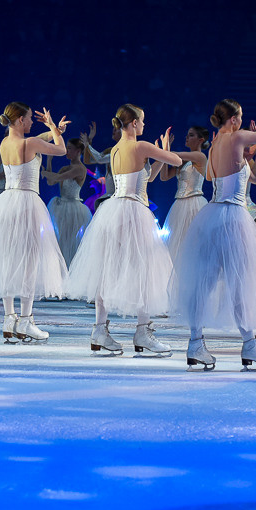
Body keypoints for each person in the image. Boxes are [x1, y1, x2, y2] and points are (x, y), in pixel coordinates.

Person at [174, 99, 256, 371]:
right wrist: (251, 144)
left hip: (211, 216)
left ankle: (196, 343)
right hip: (233, 217)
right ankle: (249, 344)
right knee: (240, 281)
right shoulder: (238, 137)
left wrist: (247, 151)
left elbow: (210, 178)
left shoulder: (214, 147)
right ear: (233, 119)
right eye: (240, 117)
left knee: (206, 281)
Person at [66, 104, 182, 356]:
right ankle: (142, 331)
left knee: (108, 269)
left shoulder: (117, 148)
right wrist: (163, 149)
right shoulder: (140, 146)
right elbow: (177, 160)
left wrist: (158, 155)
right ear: (132, 124)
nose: (144, 125)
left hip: (113, 211)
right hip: (133, 212)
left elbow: (148, 179)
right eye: (142, 120)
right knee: (143, 270)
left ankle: (99, 330)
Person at [0, 103, 69, 343]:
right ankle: (26, 320)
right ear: (21, 120)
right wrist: (53, 127)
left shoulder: (5, 143)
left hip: (7, 203)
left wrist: (55, 130)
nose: (32, 122)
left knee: (8, 259)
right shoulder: (29, 143)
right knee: (30, 261)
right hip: (27, 203)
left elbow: (37, 139)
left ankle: (8, 317)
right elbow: (61, 150)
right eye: (29, 119)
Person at [160, 126, 209, 263]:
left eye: (191, 135)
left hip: (194, 203)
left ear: (201, 140)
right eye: (187, 135)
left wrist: (165, 150)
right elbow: (164, 177)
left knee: (194, 242)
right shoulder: (182, 162)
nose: (187, 137)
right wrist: (165, 155)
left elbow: (174, 154)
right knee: (177, 244)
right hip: (179, 205)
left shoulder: (200, 156)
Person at [42, 138, 92, 265]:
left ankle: (69, 269)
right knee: (59, 240)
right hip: (60, 205)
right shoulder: (65, 168)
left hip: (73, 209)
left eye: (69, 148)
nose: (66, 151)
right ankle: (59, 270)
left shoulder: (80, 169)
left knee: (69, 241)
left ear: (78, 151)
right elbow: (51, 182)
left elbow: (57, 177)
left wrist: (43, 172)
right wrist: (49, 161)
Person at [81, 122, 122, 211]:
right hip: (110, 198)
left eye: (117, 129)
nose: (113, 130)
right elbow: (88, 160)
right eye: (113, 128)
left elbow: (99, 158)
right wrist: (89, 141)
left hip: (122, 199)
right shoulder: (110, 151)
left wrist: (88, 144)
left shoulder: (126, 152)